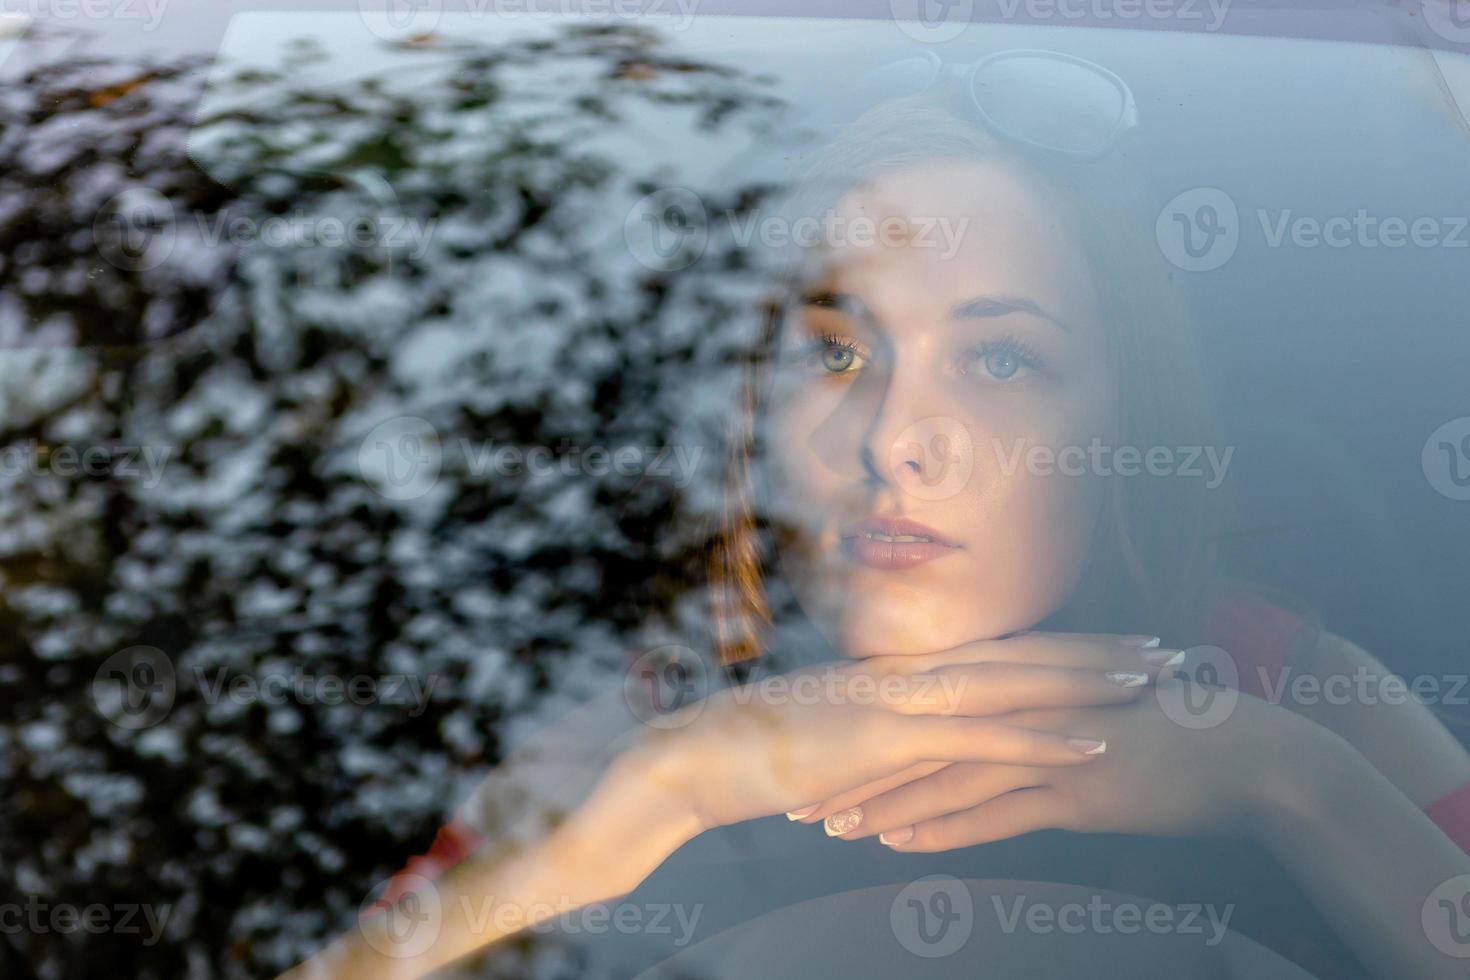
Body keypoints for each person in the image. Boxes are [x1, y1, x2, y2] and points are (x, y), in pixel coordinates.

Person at [284, 56, 1470, 980]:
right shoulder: (644, 718)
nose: (898, 434)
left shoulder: (1299, 688)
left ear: (1121, 430)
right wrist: (659, 797)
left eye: (1002, 359)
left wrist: (1298, 784)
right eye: (837, 351)